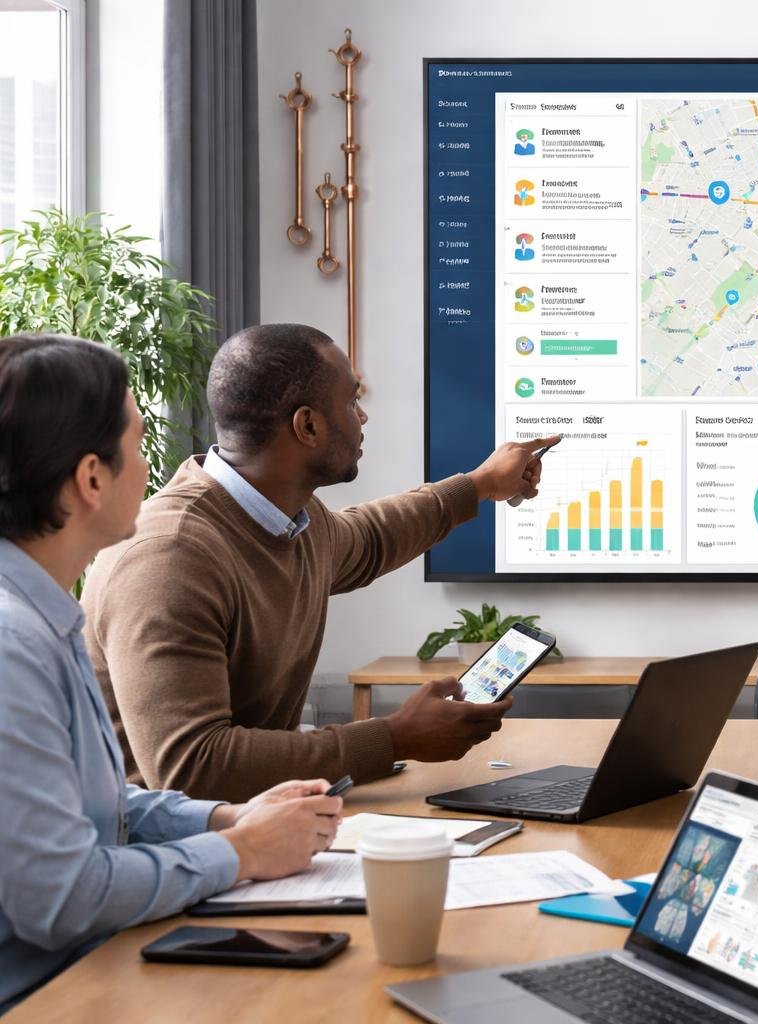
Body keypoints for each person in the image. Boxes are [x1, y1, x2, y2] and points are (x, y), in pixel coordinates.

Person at [0, 334, 341, 1012]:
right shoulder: (11, 648)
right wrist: (241, 855)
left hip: (97, 968)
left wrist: (226, 818)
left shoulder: (44, 615)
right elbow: (64, 897)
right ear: (90, 479)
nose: (152, 461)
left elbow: (98, 811)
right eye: (137, 440)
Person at [82, 323, 559, 802]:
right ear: (307, 426)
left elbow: (374, 535)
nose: (363, 417)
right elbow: (191, 768)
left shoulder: (293, 522)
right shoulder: (169, 558)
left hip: (259, 828)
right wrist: (394, 737)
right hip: (160, 853)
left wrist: (482, 484)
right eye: (352, 401)